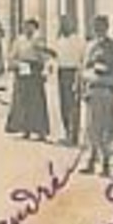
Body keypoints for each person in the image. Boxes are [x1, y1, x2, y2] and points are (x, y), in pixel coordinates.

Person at [80, 16, 113, 177]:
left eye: (101, 26)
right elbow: (84, 67)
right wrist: (83, 89)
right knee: (91, 128)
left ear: (107, 27)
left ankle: (106, 164)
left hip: (106, 90)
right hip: (92, 90)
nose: (98, 29)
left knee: (106, 128)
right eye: (95, 26)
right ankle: (91, 160)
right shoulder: (90, 46)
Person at [4, 19, 52, 140]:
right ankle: (26, 129)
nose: (27, 29)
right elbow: (12, 56)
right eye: (25, 27)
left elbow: (45, 57)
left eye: (30, 27)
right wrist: (16, 64)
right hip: (23, 70)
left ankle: (41, 131)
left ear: (35, 28)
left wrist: (45, 69)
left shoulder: (39, 40)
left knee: (37, 102)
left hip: (35, 72)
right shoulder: (19, 40)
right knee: (22, 101)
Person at [48, 15, 85, 146]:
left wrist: (80, 76)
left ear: (72, 25)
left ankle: (73, 135)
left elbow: (82, 59)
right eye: (62, 24)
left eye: (66, 23)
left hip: (73, 72)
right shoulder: (59, 40)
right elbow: (56, 56)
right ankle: (66, 133)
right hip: (62, 72)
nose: (64, 26)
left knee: (73, 105)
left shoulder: (78, 40)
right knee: (63, 103)